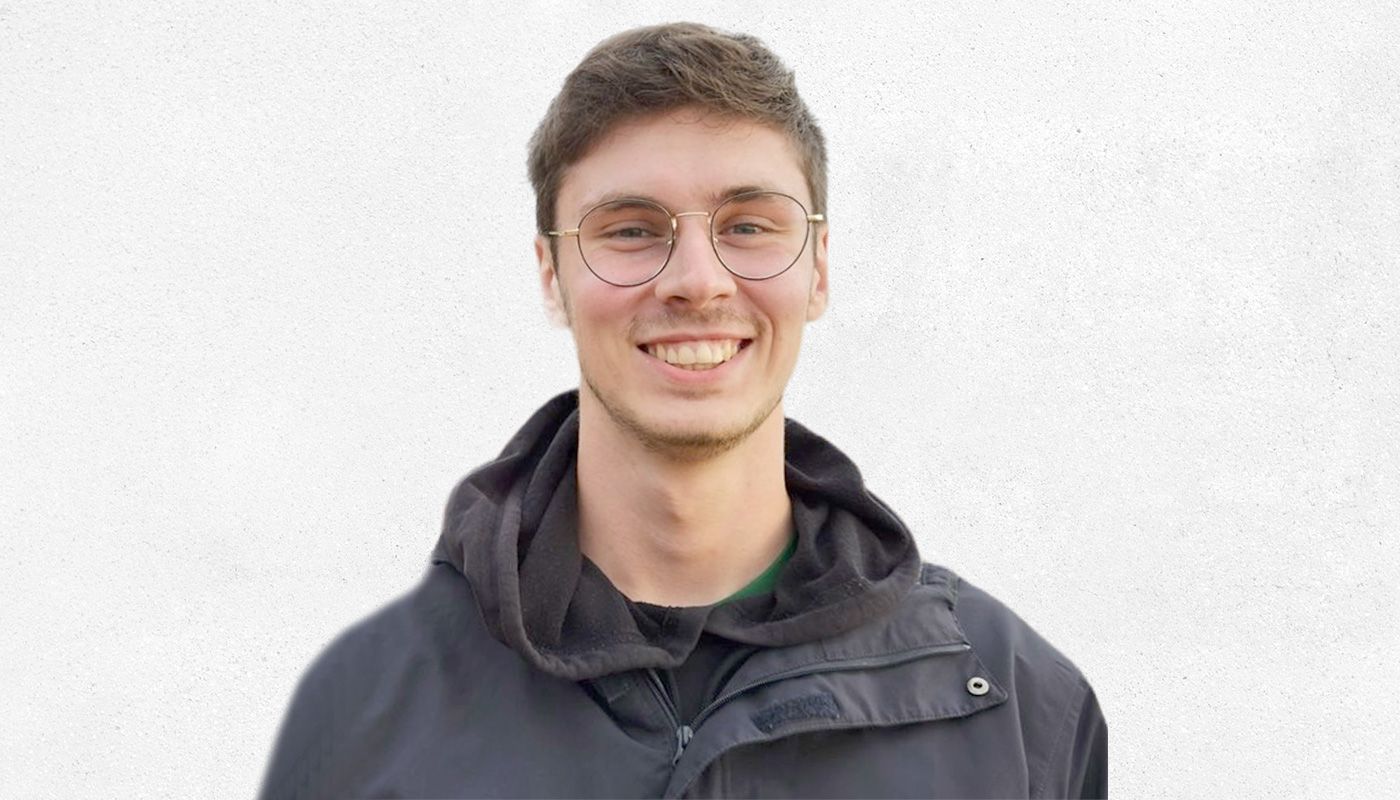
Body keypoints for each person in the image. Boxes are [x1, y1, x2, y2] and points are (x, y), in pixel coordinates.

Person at [258, 22, 1107, 799]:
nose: (697, 281)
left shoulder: (1018, 709)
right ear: (552, 276)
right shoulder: (367, 718)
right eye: (631, 230)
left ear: (818, 270)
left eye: (749, 226)